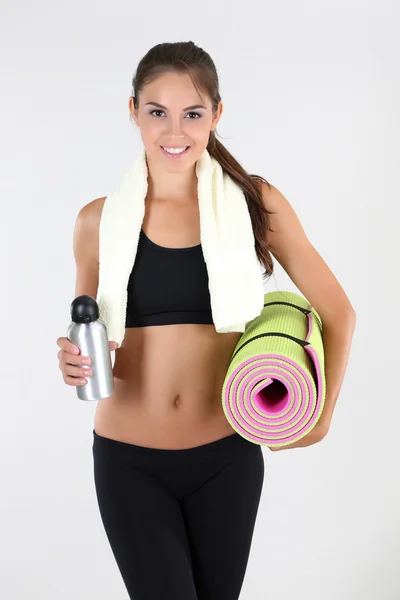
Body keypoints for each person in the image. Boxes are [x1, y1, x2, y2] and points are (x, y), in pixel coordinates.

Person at [56, 41, 355, 600]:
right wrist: (73, 363)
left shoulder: (253, 204)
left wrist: (323, 416)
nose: (175, 130)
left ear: (217, 115)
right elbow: (89, 332)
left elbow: (338, 311)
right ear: (133, 112)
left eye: (193, 113)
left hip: (227, 457)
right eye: (157, 112)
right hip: (128, 461)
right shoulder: (97, 221)